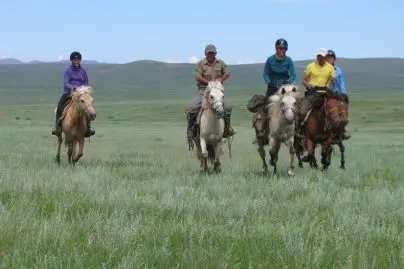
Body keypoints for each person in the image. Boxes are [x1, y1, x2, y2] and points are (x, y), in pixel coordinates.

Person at [185, 44, 235, 143]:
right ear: (205, 53)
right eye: (209, 53)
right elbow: (198, 77)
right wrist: (208, 83)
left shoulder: (220, 63)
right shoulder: (200, 64)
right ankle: (191, 130)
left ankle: (227, 129)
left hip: (217, 91)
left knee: (228, 107)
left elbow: (227, 73)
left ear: (215, 53)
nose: (211, 55)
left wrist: (221, 80)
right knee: (192, 108)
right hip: (204, 90)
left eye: (212, 53)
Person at [256, 38, 296, 139]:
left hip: (285, 89)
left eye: (284, 48)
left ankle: (297, 131)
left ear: (286, 50)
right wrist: (269, 81)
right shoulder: (270, 60)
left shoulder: (289, 60)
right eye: (280, 48)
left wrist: (288, 81)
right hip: (273, 88)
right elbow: (265, 74)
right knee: (265, 107)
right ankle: (263, 130)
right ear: (276, 49)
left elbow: (293, 74)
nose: (282, 50)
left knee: (295, 106)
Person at [52, 51, 95, 137]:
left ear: (80, 61)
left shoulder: (83, 71)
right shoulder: (68, 70)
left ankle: (88, 129)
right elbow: (66, 82)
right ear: (71, 61)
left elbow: (86, 82)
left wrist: (84, 90)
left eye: (78, 60)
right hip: (69, 93)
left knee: (87, 107)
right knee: (60, 106)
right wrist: (74, 89)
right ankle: (58, 128)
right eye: (74, 60)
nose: (76, 61)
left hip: (81, 93)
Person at [298, 48, 336, 134]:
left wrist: (329, 85)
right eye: (318, 56)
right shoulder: (310, 66)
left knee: (336, 111)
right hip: (312, 93)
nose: (320, 58)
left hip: (325, 94)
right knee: (302, 111)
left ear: (325, 57)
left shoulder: (330, 67)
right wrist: (308, 85)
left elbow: (331, 79)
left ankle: (337, 133)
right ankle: (298, 130)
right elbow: (304, 80)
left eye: (322, 56)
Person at [325, 49, 351, 140]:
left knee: (342, 110)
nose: (330, 59)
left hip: (336, 94)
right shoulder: (323, 69)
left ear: (334, 59)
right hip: (326, 93)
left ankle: (342, 130)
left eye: (331, 57)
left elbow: (341, 83)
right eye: (328, 57)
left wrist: (344, 95)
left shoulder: (338, 70)